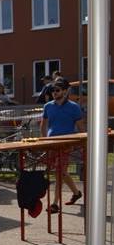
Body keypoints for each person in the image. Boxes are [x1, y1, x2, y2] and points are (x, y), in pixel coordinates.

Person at [41, 77, 85, 213]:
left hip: (66, 144)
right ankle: (77, 193)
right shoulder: (48, 106)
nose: (55, 92)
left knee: (60, 172)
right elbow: (43, 124)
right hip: (52, 143)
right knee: (61, 172)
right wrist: (44, 141)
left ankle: (54, 204)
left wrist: (83, 143)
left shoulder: (74, 107)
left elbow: (81, 127)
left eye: (58, 90)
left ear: (65, 91)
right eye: (53, 90)